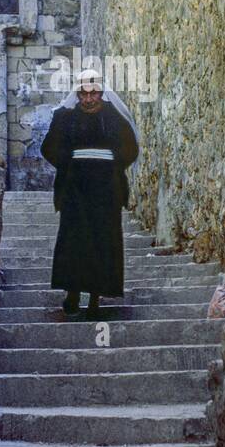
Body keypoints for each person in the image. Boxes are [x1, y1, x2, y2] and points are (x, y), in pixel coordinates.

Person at [40, 68, 140, 317]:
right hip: (75, 190)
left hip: (106, 191)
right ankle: (72, 295)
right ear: (78, 93)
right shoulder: (65, 117)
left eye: (93, 93)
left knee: (102, 243)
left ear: (101, 92)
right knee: (74, 243)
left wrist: (112, 166)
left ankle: (95, 300)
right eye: (84, 94)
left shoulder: (115, 117)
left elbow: (130, 148)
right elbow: (49, 147)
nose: (88, 98)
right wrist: (70, 165)